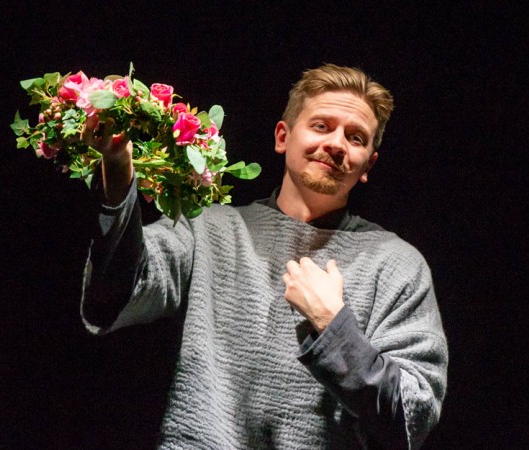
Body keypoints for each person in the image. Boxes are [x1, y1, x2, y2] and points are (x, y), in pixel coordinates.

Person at [80, 64, 448, 449]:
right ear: (283, 137)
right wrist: (117, 173)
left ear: (368, 164)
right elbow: (113, 294)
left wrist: (333, 325)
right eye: (321, 126)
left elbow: (412, 416)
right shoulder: (209, 227)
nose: (337, 144)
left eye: (355, 137)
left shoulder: (397, 265)